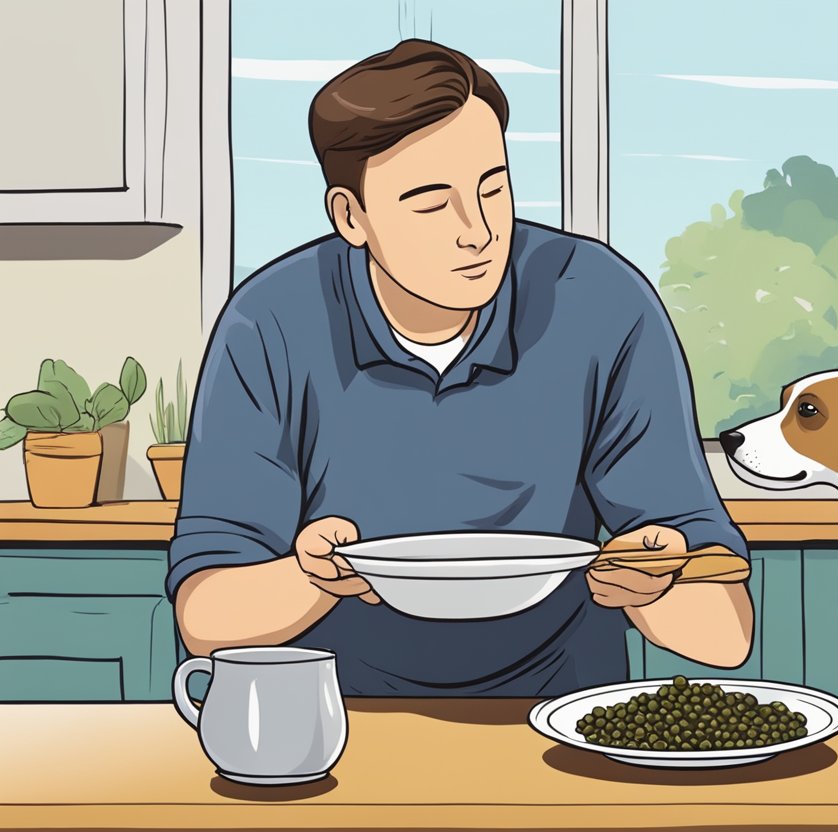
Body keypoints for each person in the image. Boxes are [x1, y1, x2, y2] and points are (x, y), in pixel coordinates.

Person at [168, 39, 752, 696]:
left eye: (492, 188)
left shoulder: (601, 301)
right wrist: (308, 579)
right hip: (337, 723)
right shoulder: (270, 322)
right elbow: (204, 616)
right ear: (351, 217)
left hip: (562, 721)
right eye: (430, 202)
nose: (477, 229)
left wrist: (654, 588)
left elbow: (725, 636)